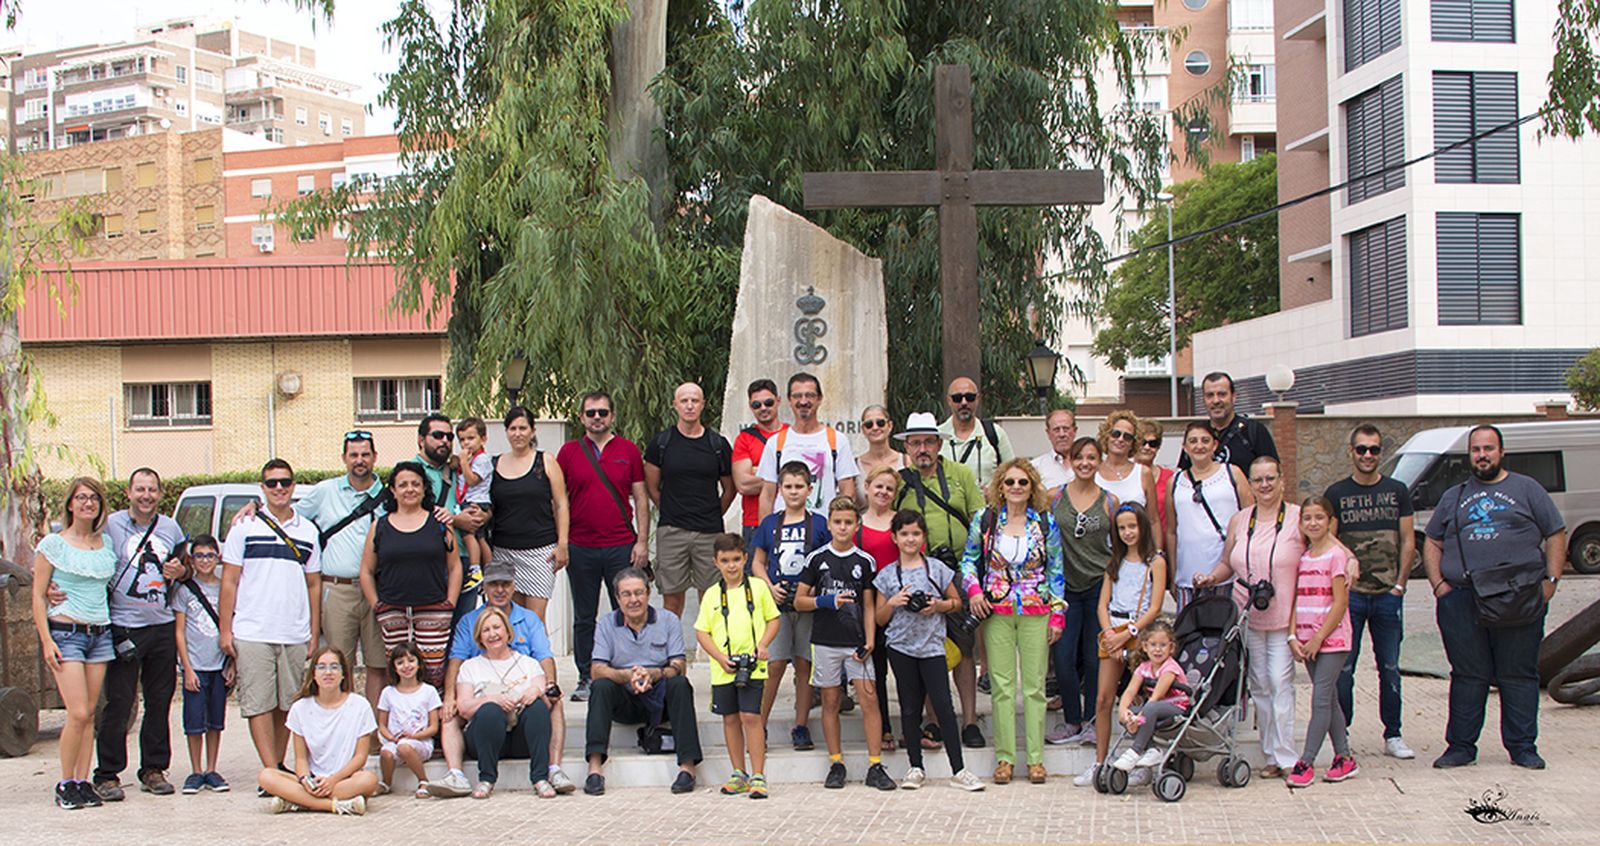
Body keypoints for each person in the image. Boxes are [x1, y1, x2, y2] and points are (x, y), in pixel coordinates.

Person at [1423, 424, 1565, 770]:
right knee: (1468, 674)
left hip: (1517, 597)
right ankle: (1460, 747)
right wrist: (1440, 586)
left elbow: (1556, 533)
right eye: (1475, 450)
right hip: (1462, 598)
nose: (1482, 455)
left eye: (1488, 448)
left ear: (1501, 452)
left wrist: (1550, 581)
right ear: (1469, 455)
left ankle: (1522, 747)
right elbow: (1432, 540)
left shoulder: (1527, 489)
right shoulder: (1453, 496)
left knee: (1518, 673)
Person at [960, 458, 1066, 785]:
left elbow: (1056, 571)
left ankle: (1035, 760)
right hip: (997, 611)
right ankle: (1004, 758)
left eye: (1023, 482)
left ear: (1032, 486)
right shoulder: (986, 519)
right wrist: (975, 591)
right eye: (1010, 482)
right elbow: (968, 561)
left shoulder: (1044, 522)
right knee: (1002, 687)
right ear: (1000, 487)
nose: (1016, 488)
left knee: (1034, 688)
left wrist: (1058, 614)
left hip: (1037, 609)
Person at [1194, 455, 1300, 777]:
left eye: (1271, 479)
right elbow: (1228, 561)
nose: (1265, 485)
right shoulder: (1240, 520)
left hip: (1284, 614)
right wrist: (1212, 577)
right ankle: (1270, 755)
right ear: (1250, 485)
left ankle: (1288, 757)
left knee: (1281, 682)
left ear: (1281, 480)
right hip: (1248, 613)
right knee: (1259, 684)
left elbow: (1327, 546)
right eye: (1258, 480)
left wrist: (1348, 561)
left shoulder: (1296, 517)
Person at [430, 561, 575, 797]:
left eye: (505, 584)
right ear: (484, 587)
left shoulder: (529, 620)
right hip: (480, 699)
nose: (499, 590)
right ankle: (456, 774)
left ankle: (553, 769)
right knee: (454, 711)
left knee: (551, 703)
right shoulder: (469, 622)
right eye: (493, 584)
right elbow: (456, 659)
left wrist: (547, 687)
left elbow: (544, 657)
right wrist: (450, 696)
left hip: (523, 699)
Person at [219, 459, 322, 781]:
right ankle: (270, 769)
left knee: (288, 704)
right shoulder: (244, 527)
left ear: (293, 486)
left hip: (293, 630)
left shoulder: (307, 530)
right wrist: (226, 630)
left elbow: (313, 583)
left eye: (285, 482)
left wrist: (314, 632)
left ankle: (278, 765)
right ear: (262, 488)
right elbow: (230, 581)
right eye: (272, 483)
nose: (279, 488)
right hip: (253, 629)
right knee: (259, 703)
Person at [891, 412, 986, 749]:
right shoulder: (900, 481)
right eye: (914, 443)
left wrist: (975, 568)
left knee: (963, 647)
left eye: (928, 441)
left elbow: (978, 520)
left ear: (939, 443)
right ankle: (934, 721)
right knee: (928, 647)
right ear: (906, 447)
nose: (922, 449)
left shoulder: (960, 474)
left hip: (958, 569)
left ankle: (970, 721)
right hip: (919, 572)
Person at [873, 510, 985, 791]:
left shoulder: (936, 568)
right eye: (904, 534)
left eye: (916, 533)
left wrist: (937, 606)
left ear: (923, 537)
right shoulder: (887, 575)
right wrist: (895, 601)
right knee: (910, 708)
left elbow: (957, 603)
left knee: (944, 706)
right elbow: (878, 618)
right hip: (901, 648)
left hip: (933, 646)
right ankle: (915, 767)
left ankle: (958, 770)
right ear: (894, 538)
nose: (910, 539)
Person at [93, 467, 187, 800]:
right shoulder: (112, 525)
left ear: (160, 494)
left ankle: (153, 768)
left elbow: (185, 566)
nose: (146, 496)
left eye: (152, 490)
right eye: (140, 489)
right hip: (123, 624)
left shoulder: (170, 528)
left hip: (161, 624)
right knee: (118, 702)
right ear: (129, 492)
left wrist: (181, 569)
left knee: (159, 700)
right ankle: (107, 773)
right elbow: (91, 559)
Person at [1325, 423, 1416, 760]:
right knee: (1344, 668)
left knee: (1390, 667)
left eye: (1374, 449)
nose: (1367, 455)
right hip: (1352, 597)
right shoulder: (1337, 493)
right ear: (1351, 451)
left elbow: (1408, 540)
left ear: (1381, 453)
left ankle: (1393, 734)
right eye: (1361, 449)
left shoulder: (1397, 490)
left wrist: (1400, 584)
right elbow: (1331, 541)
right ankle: (1342, 734)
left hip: (1387, 595)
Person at [556, 390, 651, 702]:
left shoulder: (628, 450)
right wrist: (563, 542)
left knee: (626, 612)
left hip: (620, 544)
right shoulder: (568, 453)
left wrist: (642, 541)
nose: (597, 418)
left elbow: (640, 498)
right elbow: (559, 501)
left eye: (603, 412)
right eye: (591, 413)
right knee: (584, 616)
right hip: (581, 546)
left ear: (612, 416)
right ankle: (586, 676)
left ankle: (626, 672)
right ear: (581, 417)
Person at [795, 496, 895, 790]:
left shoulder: (865, 561)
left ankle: (875, 765)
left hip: (856, 645)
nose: (842, 527)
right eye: (837, 522)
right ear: (829, 524)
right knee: (830, 700)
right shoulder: (816, 559)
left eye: (848, 522)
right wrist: (826, 601)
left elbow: (868, 605)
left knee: (869, 700)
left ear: (857, 524)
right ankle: (836, 762)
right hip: (825, 642)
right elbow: (800, 601)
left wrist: (871, 640)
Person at [33, 478, 117, 810]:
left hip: (100, 633)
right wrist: (46, 640)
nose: (87, 503)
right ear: (70, 503)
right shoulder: (53, 544)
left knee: (89, 716)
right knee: (77, 711)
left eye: (93, 498)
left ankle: (83, 781)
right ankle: (65, 781)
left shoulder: (105, 543)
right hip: (67, 632)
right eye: (81, 497)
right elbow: (38, 597)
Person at [288, 432, 388, 708]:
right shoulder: (324, 491)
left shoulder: (386, 496)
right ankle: (342, 728)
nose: (359, 460)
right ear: (344, 458)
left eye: (365, 454)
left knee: (378, 665)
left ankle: (373, 732)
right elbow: (289, 517)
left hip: (376, 591)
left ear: (374, 457)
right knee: (337, 664)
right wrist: (253, 508)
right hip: (337, 589)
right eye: (353, 455)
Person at [584, 567, 701, 796]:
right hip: (625, 698)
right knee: (600, 686)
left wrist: (653, 674)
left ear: (648, 594)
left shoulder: (668, 620)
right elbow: (597, 669)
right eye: (626, 594)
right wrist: (627, 676)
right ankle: (594, 768)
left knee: (680, 684)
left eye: (638, 593)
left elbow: (679, 666)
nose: (633, 600)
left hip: (659, 695)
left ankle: (687, 767)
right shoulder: (606, 623)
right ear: (617, 598)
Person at [1078, 503, 1167, 788]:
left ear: (1142, 526)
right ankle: (1099, 762)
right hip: (1113, 631)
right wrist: (1109, 634)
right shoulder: (1113, 562)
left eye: (1133, 526)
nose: (1128, 532)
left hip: (1139, 632)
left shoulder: (1156, 561)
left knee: (1140, 698)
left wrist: (1129, 632)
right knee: (1104, 699)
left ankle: (1141, 757)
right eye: (1122, 527)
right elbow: (1102, 605)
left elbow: (1155, 607)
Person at [750, 461, 830, 750]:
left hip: (807, 605)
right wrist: (769, 588)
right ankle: (759, 723)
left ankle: (801, 725)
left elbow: (827, 562)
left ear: (810, 489)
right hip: (778, 605)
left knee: (804, 665)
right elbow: (757, 562)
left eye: (799, 486)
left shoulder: (820, 523)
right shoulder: (770, 523)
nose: (793, 492)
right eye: (788, 487)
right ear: (780, 489)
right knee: (774, 664)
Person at [360, 462, 460, 688]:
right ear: (393, 490)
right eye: (403, 485)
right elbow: (366, 571)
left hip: (434, 609)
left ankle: (435, 723)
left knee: (434, 675)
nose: (410, 489)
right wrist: (378, 606)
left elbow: (454, 567)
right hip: (392, 610)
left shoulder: (440, 523)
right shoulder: (380, 526)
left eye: (416, 484)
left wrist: (449, 604)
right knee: (399, 675)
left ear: (424, 488)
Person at [695, 534, 781, 800]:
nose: (731, 566)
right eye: (725, 561)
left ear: (745, 558)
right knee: (730, 718)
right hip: (723, 669)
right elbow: (702, 632)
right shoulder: (711, 594)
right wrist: (720, 657)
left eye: (735, 559)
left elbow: (773, 620)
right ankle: (738, 773)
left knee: (751, 718)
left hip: (753, 667)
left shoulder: (757, 587)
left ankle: (758, 774)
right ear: (716, 562)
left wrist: (763, 645)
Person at [1286, 497, 1361, 788]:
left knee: (1319, 700)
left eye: (1320, 517)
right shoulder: (1304, 557)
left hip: (1331, 640)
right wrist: (1294, 635)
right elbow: (1297, 598)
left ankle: (1306, 761)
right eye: (1308, 518)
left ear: (1330, 522)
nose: (1313, 523)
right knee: (1329, 701)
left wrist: (1319, 637)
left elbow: (1340, 603)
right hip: (1307, 640)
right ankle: (1344, 757)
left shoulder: (1336, 556)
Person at [645, 382, 735, 619]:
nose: (689, 405)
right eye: (684, 400)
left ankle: (710, 655)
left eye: (695, 400)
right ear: (675, 405)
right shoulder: (661, 443)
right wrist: (671, 510)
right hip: (672, 531)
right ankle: (674, 654)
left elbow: (729, 488)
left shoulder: (718, 445)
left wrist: (714, 513)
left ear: (702, 405)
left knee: (711, 600)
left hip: (710, 532)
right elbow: (652, 487)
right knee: (672, 601)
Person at [1047, 437, 1114, 748]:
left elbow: (1121, 544)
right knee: (1062, 655)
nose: (1085, 463)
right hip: (1064, 587)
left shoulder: (1110, 502)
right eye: (1079, 458)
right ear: (1070, 462)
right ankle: (1072, 718)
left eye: (1091, 457)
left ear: (1099, 461)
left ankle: (1090, 720)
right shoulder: (1054, 497)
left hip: (1099, 585)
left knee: (1094, 656)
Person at [258, 647, 379, 815]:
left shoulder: (360, 705)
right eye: (321, 667)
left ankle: (297, 802)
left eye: (334, 667)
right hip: (312, 780)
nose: (328, 672)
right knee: (266, 776)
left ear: (344, 673)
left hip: (344, 778)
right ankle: (334, 805)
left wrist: (332, 780)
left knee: (369, 780)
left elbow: (360, 757)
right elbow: (300, 758)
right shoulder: (300, 708)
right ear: (313, 674)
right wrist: (305, 779)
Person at [453, 607, 559, 799]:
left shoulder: (528, 663)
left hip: (520, 738)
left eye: (497, 628)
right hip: (484, 738)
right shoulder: (470, 667)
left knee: (537, 706)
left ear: (507, 631)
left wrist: (535, 691)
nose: (492, 634)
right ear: (479, 636)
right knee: (490, 710)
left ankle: (540, 778)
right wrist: (492, 699)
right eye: (486, 630)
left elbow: (547, 703)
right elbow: (464, 708)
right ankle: (486, 779)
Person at [490, 405, 571, 622]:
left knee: (535, 620)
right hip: (503, 552)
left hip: (540, 552)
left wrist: (562, 544)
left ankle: (540, 658)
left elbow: (561, 504)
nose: (518, 433)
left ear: (533, 431)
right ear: (506, 431)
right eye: (513, 428)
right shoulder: (494, 464)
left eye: (523, 428)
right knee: (509, 619)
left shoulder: (545, 461)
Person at [1166, 422, 1252, 611]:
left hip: (1229, 573)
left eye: (1205, 440)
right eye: (1193, 441)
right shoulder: (1175, 482)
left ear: (1215, 445)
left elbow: (1250, 518)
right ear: (1185, 447)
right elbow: (1172, 532)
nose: (1199, 446)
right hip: (1187, 574)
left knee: (1224, 632)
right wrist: (1173, 574)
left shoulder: (1232, 473)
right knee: (1188, 634)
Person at [413, 413, 487, 630]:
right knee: (431, 632)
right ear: (421, 439)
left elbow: (480, 495)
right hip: (428, 561)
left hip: (463, 559)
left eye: (448, 436)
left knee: (462, 632)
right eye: (437, 435)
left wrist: (483, 515)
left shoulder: (457, 469)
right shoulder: (410, 471)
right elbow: (410, 513)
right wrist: (456, 520)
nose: (445, 441)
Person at [171, 535, 231, 795]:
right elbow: (179, 631)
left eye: (210, 555)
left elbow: (232, 626)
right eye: (199, 556)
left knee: (216, 721)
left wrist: (232, 664)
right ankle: (195, 770)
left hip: (219, 664)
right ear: (191, 560)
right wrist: (186, 667)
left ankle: (211, 767)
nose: (205, 561)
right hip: (195, 665)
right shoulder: (184, 590)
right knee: (194, 721)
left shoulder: (225, 588)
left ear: (218, 557)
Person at [757, 372, 860, 514]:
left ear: (819, 399)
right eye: (797, 396)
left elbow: (847, 490)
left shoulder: (837, 440)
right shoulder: (775, 442)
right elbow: (767, 495)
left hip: (824, 530)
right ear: (789, 400)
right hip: (784, 530)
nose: (803, 401)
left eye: (810, 395)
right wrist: (766, 533)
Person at [857, 465, 901, 748]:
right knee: (877, 670)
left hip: (900, 603)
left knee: (906, 670)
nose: (883, 492)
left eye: (889, 488)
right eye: (879, 487)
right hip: (869, 604)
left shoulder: (902, 522)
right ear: (868, 488)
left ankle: (914, 724)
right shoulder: (856, 524)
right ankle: (883, 725)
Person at [1110, 621, 1189, 773]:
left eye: (1163, 645)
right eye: (1153, 644)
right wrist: (1124, 711)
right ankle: (1153, 750)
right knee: (1129, 712)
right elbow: (1130, 691)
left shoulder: (1170, 668)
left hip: (1176, 707)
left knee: (1149, 707)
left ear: (1171, 648)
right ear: (1145, 646)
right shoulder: (1144, 667)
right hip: (1153, 710)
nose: (1158, 649)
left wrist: (1138, 719)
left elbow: (1155, 698)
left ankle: (1136, 751)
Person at [375, 643, 443, 798]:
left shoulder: (428, 691)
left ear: (419, 664)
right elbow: (382, 725)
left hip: (421, 742)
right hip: (396, 741)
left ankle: (423, 781)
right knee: (386, 752)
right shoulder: (388, 693)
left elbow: (433, 727)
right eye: (400, 663)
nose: (406, 666)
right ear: (394, 668)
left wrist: (414, 737)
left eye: (411, 660)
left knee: (405, 747)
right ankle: (386, 783)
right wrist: (391, 738)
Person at [1178, 372, 1278, 472]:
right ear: (1203, 399)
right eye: (1210, 395)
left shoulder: (1254, 431)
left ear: (1233, 397)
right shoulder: (1197, 435)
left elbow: (1272, 476)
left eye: (1222, 394)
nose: (1216, 400)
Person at [732, 379, 787, 547]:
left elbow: (802, 479)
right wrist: (783, 476)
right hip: (754, 522)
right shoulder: (745, 439)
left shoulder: (791, 435)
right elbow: (743, 485)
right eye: (757, 405)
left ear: (778, 401)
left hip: (792, 519)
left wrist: (758, 472)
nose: (763, 408)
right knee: (755, 572)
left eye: (768, 402)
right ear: (750, 406)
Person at [939, 377, 1015, 487]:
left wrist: (995, 493)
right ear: (949, 401)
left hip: (986, 503)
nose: (964, 403)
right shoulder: (936, 436)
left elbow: (1013, 474)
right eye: (957, 398)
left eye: (970, 397)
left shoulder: (994, 433)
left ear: (978, 398)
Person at [455, 417, 494, 583]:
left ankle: (476, 568)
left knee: (468, 534)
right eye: (462, 440)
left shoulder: (482, 460)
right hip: (472, 500)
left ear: (483, 439)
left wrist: (463, 462)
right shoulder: (471, 459)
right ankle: (489, 569)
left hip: (477, 501)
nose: (466, 443)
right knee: (480, 537)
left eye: (471, 438)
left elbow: (471, 480)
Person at [1096, 411, 1158, 510]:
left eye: (1127, 437)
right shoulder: (1093, 471)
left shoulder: (1143, 473)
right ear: (1106, 436)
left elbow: (1153, 520)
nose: (1120, 439)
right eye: (1116, 434)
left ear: (1133, 443)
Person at [1134, 420, 1175, 542]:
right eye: (1142, 442)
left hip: (1161, 545)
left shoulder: (1170, 477)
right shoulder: (1124, 475)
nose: (1147, 447)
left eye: (1153, 443)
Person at [856, 404, 905, 483]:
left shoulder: (906, 461)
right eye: (869, 424)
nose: (875, 428)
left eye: (880, 423)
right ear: (863, 429)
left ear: (890, 425)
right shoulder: (855, 466)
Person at [1031, 409, 1078, 491]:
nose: (1062, 434)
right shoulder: (1036, 467)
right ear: (1048, 433)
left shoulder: (1089, 464)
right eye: (1056, 430)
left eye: (1066, 429)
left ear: (1074, 431)